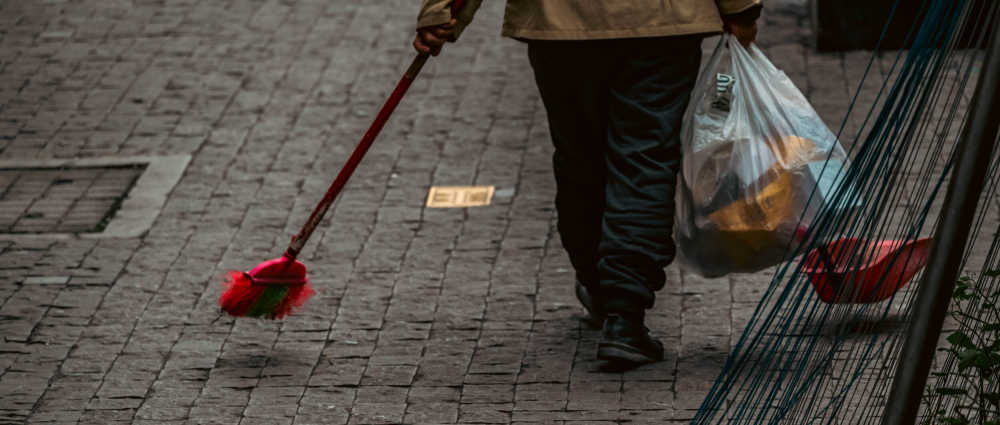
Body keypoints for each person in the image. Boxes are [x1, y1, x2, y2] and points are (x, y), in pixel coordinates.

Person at [414, 0, 762, 366]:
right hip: (662, 21)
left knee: (580, 158)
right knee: (644, 158)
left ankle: (600, 285)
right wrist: (740, 8)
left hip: (562, 24)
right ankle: (624, 313)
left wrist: (442, 13)